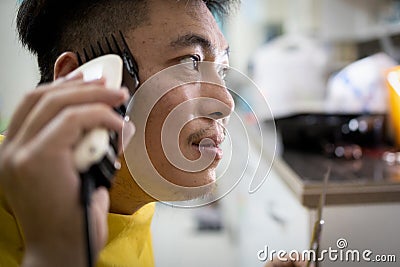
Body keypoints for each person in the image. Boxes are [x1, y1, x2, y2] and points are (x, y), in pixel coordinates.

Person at [0, 0, 304, 266]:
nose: (224, 104)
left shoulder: (128, 193)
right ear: (82, 79)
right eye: (190, 61)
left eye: (222, 69)